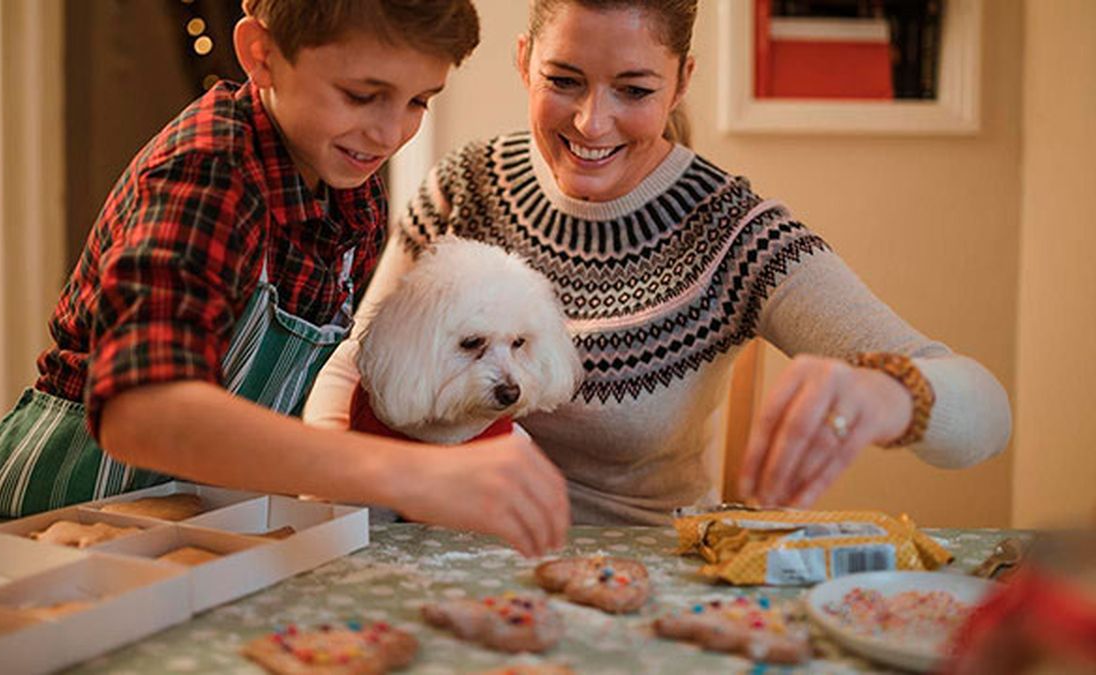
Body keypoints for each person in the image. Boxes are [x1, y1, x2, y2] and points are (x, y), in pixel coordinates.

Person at [304, 0, 1012, 525]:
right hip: (440, 551)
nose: (592, 122)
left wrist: (894, 393)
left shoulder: (733, 231)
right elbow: (355, 364)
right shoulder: (466, 184)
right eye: (564, 80)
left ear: (680, 84)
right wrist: (330, 498)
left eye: (635, 90)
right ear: (523, 61)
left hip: (635, 574)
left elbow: (987, 413)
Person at [0, 0, 569, 558]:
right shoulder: (205, 177)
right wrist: (406, 474)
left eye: (418, 101)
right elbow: (141, 414)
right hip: (34, 534)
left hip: (186, 531)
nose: (390, 132)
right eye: (361, 94)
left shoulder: (353, 196)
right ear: (261, 54)